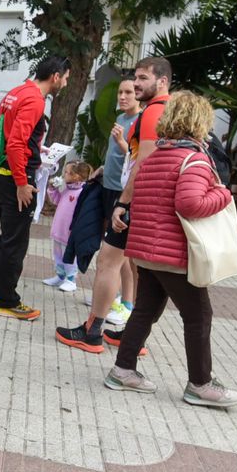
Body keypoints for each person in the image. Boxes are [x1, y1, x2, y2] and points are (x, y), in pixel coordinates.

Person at [82, 91, 237, 407]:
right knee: (199, 315)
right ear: (200, 123)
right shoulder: (193, 159)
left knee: (145, 310)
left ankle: (123, 369)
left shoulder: (156, 156)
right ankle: (200, 384)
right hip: (174, 255)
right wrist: (224, 196)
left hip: (147, 251)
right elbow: (190, 203)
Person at [57, 56, 172, 356]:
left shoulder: (151, 114)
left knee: (108, 261)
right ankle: (132, 335)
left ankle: (92, 331)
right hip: (154, 203)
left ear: (162, 81)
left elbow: (141, 163)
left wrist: (123, 203)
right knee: (140, 268)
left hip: (137, 200)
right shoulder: (168, 111)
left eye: (143, 78)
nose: (135, 84)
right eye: (136, 77)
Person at [0, 54, 71, 320]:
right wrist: (22, 183)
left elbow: (13, 135)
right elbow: (15, 144)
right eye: (65, 78)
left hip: (2, 174)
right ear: (55, 76)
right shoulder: (34, 100)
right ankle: (8, 300)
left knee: (8, 235)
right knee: (16, 242)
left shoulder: (18, 91)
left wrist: (37, 149)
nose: (65, 83)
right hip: (14, 179)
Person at [95, 76, 141, 326]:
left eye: (129, 93)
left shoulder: (141, 120)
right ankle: (115, 299)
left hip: (125, 195)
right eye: (120, 92)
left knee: (123, 254)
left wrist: (122, 143)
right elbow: (115, 158)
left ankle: (128, 303)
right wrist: (101, 169)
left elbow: (137, 159)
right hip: (109, 188)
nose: (122, 97)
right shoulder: (122, 119)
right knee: (115, 252)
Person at [42, 161, 93, 292]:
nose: (64, 175)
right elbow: (56, 201)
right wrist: (52, 189)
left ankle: (71, 280)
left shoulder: (82, 192)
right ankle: (60, 275)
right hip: (59, 230)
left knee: (69, 255)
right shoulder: (67, 189)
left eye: (66, 172)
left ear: (76, 176)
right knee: (58, 253)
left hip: (69, 232)